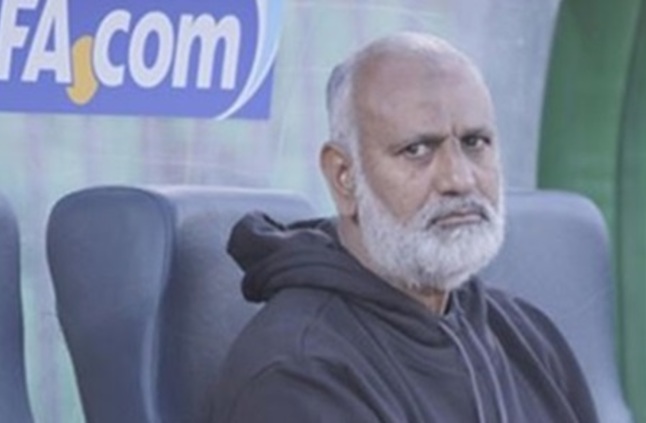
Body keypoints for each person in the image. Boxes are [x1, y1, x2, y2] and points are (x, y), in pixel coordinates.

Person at [211, 32, 598, 423]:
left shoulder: (527, 338)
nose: (459, 179)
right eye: (417, 149)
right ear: (344, 177)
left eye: (475, 142)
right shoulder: (299, 372)